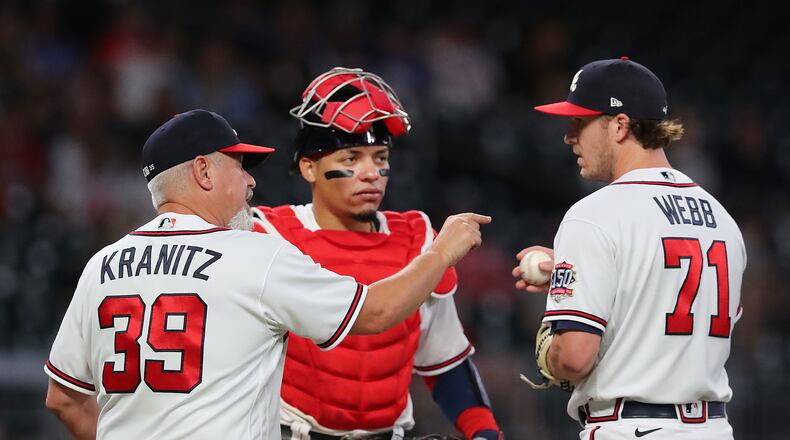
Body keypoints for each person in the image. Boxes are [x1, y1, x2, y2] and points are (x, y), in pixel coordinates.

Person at [43, 109, 491, 440]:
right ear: (202, 170)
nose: (251, 182)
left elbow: (63, 399)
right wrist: (442, 252)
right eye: (239, 166)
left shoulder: (103, 264)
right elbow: (374, 314)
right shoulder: (254, 255)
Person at [251, 68, 503, 440]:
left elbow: (445, 360)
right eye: (351, 158)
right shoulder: (268, 236)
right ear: (308, 167)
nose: (372, 173)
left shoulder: (418, 238)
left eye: (380, 156)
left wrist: (484, 432)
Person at [514, 57, 745, 440]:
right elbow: (672, 298)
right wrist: (583, 275)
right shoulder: (723, 219)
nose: (569, 136)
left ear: (619, 125)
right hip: (714, 429)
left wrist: (550, 352)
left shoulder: (592, 214)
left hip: (627, 428)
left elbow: (574, 357)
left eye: (580, 122)